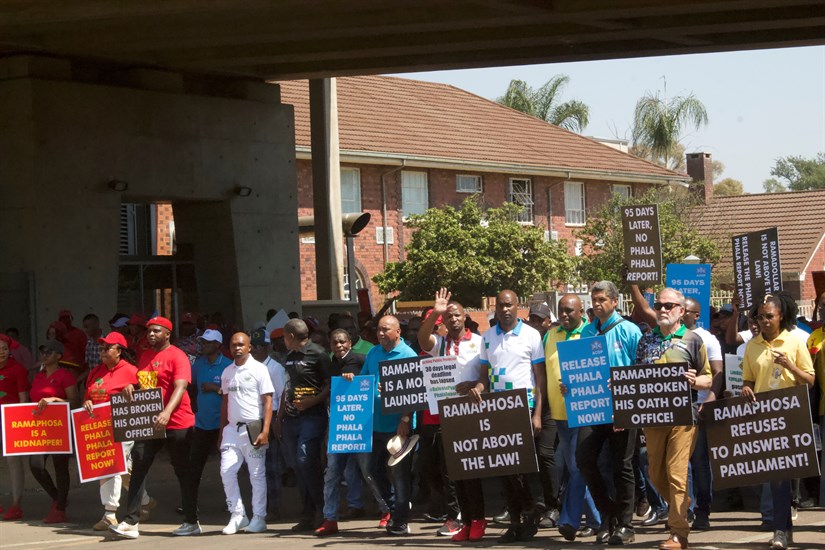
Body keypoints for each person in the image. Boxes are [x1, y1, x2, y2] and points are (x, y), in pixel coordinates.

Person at [635, 288, 713, 550]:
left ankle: (679, 533)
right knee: (655, 473)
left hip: (683, 417)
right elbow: (636, 378)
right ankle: (682, 504)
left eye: (669, 306)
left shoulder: (693, 340)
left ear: (681, 311)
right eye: (659, 306)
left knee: (677, 474)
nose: (663, 310)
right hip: (653, 417)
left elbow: (707, 378)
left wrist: (695, 380)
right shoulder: (646, 340)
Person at [109, 317, 198, 539]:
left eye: (156, 331)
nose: (150, 334)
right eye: (149, 331)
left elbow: (181, 386)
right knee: (139, 466)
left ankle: (191, 521)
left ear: (167, 334)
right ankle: (130, 522)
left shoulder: (178, 355)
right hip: (150, 424)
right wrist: (132, 386)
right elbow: (145, 384)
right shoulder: (145, 356)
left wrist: (167, 412)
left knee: (182, 470)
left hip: (177, 422)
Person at [741, 293, 814, 550]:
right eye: (760, 317)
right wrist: (746, 388)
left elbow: (810, 380)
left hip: (791, 416)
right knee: (775, 475)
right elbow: (748, 378)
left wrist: (790, 366)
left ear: (781, 315)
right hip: (764, 418)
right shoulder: (753, 345)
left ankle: (781, 530)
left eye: (769, 316)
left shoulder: (795, 341)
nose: (764, 321)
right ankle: (784, 529)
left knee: (783, 476)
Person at [418, 288, 488, 541]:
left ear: (465, 317)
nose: (453, 319)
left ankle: (479, 519)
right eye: (448, 317)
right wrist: (433, 314)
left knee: (471, 470)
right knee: (453, 471)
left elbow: (485, 376)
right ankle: (466, 522)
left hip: (471, 414)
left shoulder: (479, 342)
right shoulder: (441, 344)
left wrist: (474, 386)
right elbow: (422, 340)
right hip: (447, 416)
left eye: (457, 315)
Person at [576, 281, 642, 545]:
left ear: (615, 302)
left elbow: (642, 369)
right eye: (594, 299)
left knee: (622, 465)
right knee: (584, 458)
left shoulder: (629, 330)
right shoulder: (587, 331)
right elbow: (580, 366)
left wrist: (624, 384)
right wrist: (572, 383)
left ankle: (625, 525)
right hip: (593, 407)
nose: (597, 304)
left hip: (622, 407)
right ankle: (609, 515)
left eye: (602, 299)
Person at [480, 290, 546, 543]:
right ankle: (516, 520)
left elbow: (539, 377)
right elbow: (486, 376)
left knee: (524, 468)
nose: (505, 309)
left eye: (509, 305)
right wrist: (478, 388)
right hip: (498, 409)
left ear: (518, 306)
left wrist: (538, 413)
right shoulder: (488, 337)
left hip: (524, 406)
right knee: (505, 470)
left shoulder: (531, 335)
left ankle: (530, 513)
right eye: (500, 305)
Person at [316, 328, 390, 536]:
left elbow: (372, 382)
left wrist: (355, 379)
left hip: (361, 425)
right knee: (332, 473)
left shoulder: (360, 359)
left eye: (342, 342)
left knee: (368, 471)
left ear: (350, 342)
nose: (338, 346)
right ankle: (330, 518)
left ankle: (387, 510)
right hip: (339, 426)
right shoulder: (331, 363)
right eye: (334, 342)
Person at [83, 331, 152, 531]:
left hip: (123, 426)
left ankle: (109, 512)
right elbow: (87, 396)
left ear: (119, 351)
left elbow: (148, 396)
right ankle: (146, 500)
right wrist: (87, 401)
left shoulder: (132, 370)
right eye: (101, 349)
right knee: (123, 468)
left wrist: (134, 387)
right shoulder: (95, 372)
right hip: (99, 428)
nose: (102, 352)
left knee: (110, 464)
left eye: (107, 348)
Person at [547, 294, 602, 542]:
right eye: (561, 310)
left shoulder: (591, 334)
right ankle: (596, 519)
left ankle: (569, 519)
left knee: (579, 466)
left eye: (570, 310)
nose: (565, 315)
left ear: (582, 311)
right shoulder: (550, 335)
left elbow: (597, 373)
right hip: (559, 414)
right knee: (574, 468)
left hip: (584, 413)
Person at [359, 315, 419, 535]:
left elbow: (415, 392)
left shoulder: (408, 355)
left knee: (400, 475)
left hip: (398, 427)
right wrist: (351, 380)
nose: (381, 334)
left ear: (398, 332)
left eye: (386, 330)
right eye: (379, 330)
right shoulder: (373, 353)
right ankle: (396, 508)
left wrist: (405, 419)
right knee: (373, 470)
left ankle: (401, 520)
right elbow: (364, 380)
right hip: (374, 424)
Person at [274, 319, 331, 531]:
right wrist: (279, 418)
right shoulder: (289, 357)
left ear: (290, 336)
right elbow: (286, 388)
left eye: (284, 337)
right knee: (297, 467)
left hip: (312, 416)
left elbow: (330, 384)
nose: (283, 341)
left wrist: (312, 401)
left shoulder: (318, 353)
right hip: (291, 419)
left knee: (306, 459)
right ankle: (307, 514)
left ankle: (322, 509)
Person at [219, 332, 274, 534]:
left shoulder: (260, 370)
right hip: (232, 430)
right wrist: (221, 433)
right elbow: (225, 403)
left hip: (254, 428)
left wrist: (266, 430)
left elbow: (268, 402)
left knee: (257, 475)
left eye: (241, 344)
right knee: (226, 471)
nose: (237, 348)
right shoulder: (227, 372)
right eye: (233, 345)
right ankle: (238, 515)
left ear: (249, 347)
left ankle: (259, 517)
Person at [29, 339, 79, 523]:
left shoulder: (65, 375)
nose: (44, 354)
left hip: (60, 426)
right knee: (35, 465)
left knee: (60, 467)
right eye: (43, 351)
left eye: (49, 352)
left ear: (58, 355)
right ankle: (58, 498)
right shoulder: (39, 376)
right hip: (40, 428)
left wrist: (56, 400)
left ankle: (60, 508)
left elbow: (74, 401)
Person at [187, 328, 232, 532]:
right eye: (203, 342)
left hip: (224, 425)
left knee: (228, 467)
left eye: (207, 342)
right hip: (202, 424)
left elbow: (234, 393)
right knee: (194, 467)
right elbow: (190, 387)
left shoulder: (228, 365)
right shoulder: (199, 364)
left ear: (217, 345)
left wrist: (215, 389)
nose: (203, 345)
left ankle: (231, 503)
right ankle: (190, 505)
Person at [249, 328, 287, 520]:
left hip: (270, 417)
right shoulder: (246, 366)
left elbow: (282, 396)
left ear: (267, 347)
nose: (255, 350)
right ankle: (258, 505)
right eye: (253, 346)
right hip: (252, 418)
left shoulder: (275, 368)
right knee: (254, 465)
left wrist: (277, 422)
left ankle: (274, 507)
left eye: (260, 346)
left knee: (272, 466)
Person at [0, 334, 30, 520]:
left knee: (13, 463)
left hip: (10, 420)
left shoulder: (17, 369)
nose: (1, 352)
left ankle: (16, 503)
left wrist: (19, 424)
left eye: (4, 349)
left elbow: (23, 398)